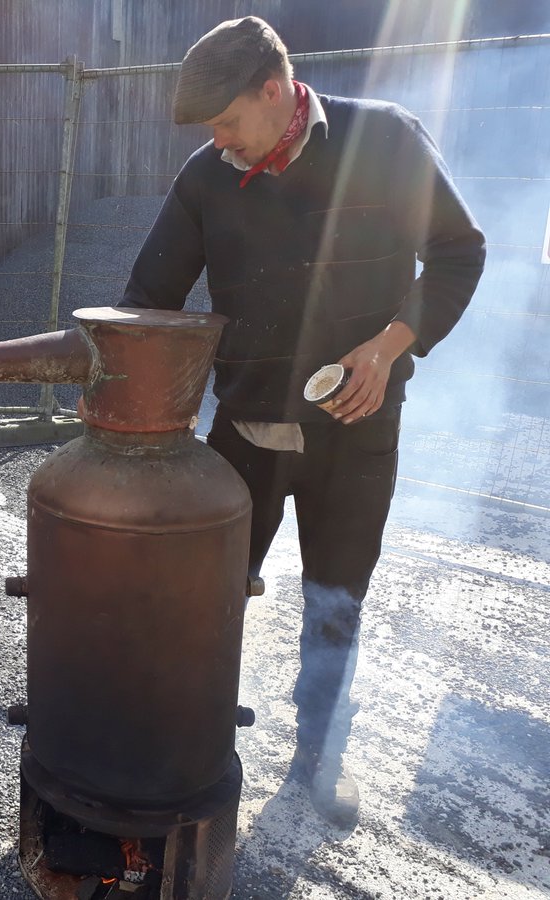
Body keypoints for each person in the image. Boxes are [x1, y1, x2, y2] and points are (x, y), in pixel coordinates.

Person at [121, 17, 485, 828]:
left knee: (335, 602)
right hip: (244, 435)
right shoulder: (209, 176)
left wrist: (390, 346)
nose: (220, 142)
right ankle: (188, 737)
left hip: (357, 436)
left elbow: (460, 253)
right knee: (203, 598)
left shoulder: (385, 141)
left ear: (273, 88)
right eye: (209, 130)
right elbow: (149, 302)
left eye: (228, 121)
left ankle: (319, 754)